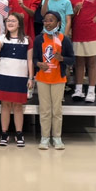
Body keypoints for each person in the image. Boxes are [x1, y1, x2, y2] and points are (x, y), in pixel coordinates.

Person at [34, 11, 75, 150]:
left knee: (56, 110)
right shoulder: (39, 38)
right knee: (45, 110)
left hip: (58, 79)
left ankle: (57, 137)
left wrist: (62, 59)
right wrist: (39, 64)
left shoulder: (64, 39)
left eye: (51, 20)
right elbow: (34, 59)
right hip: (42, 78)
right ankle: (45, 138)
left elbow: (72, 59)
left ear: (58, 23)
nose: (48, 23)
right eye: (45, 20)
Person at [0, 13, 33, 147]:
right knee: (5, 105)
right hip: (4, 75)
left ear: (19, 24)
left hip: (20, 77)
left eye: (13, 21)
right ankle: (4, 133)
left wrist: (30, 77)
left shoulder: (27, 40)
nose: (10, 23)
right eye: (8, 21)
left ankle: (19, 134)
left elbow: (30, 60)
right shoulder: (3, 38)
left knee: (18, 106)